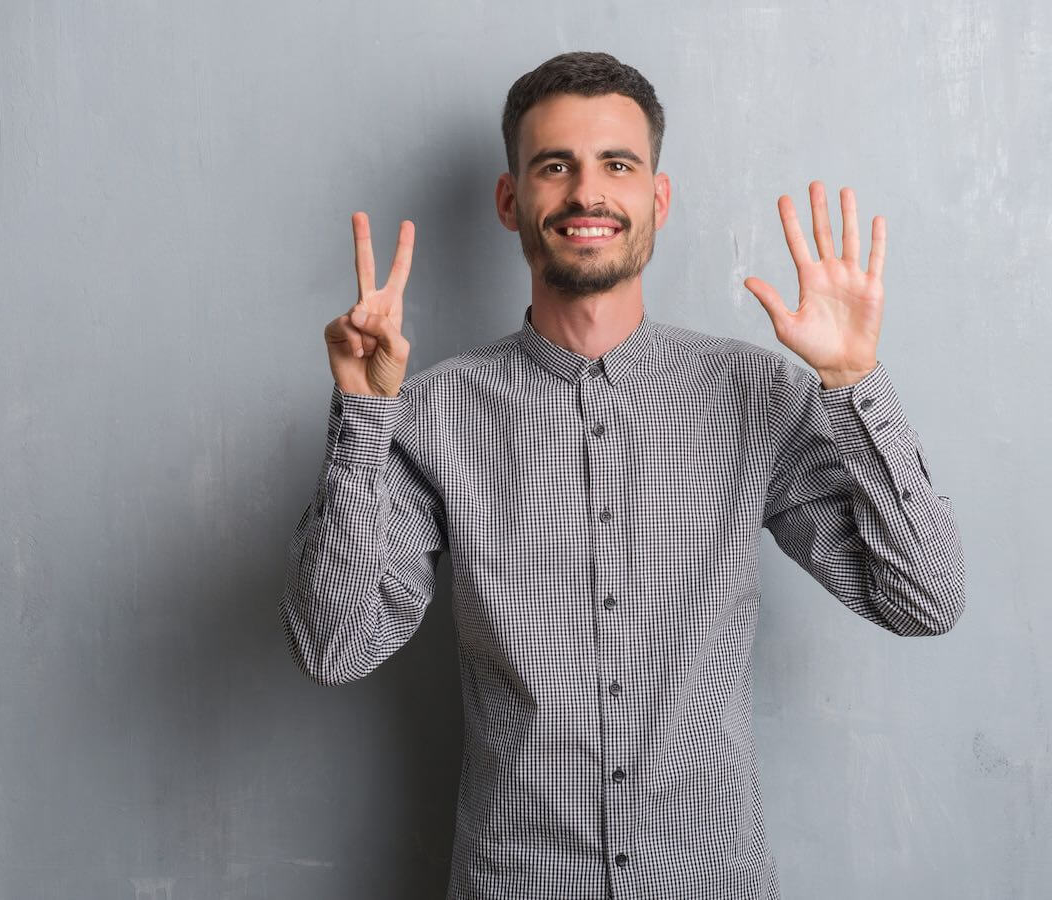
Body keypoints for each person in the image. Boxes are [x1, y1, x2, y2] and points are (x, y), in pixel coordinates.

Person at [279, 50, 966, 900]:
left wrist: (854, 386)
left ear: (657, 198)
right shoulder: (430, 414)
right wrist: (362, 417)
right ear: (510, 200)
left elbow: (925, 599)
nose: (586, 193)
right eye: (554, 165)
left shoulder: (754, 397)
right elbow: (336, 647)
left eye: (618, 164)